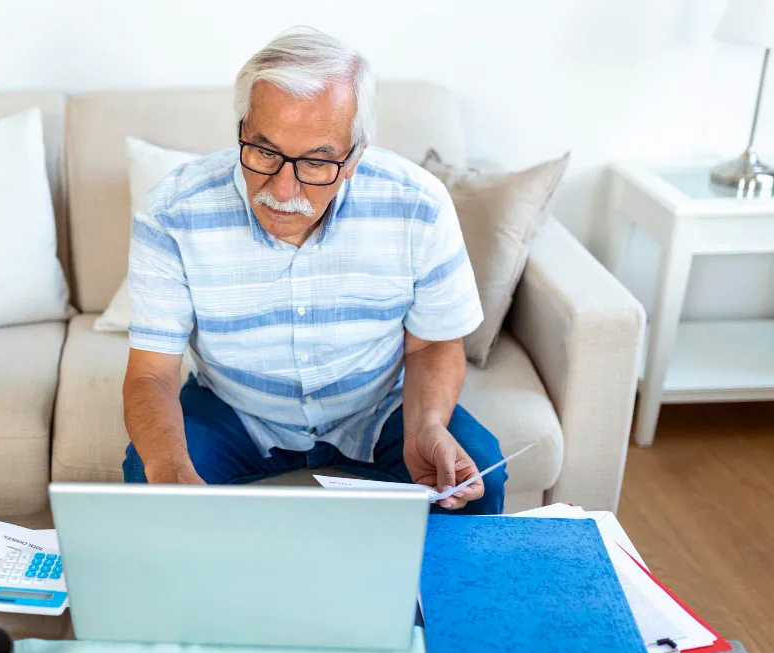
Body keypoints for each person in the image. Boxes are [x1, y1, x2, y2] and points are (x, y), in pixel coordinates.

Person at [121, 26, 506, 513]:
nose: (282, 191)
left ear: (354, 156)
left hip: (379, 406)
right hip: (236, 411)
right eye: (264, 152)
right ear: (242, 129)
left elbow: (432, 344)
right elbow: (151, 374)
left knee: (477, 481)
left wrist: (427, 425)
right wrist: (172, 475)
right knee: (146, 481)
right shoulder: (172, 211)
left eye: (317, 162)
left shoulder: (418, 205)